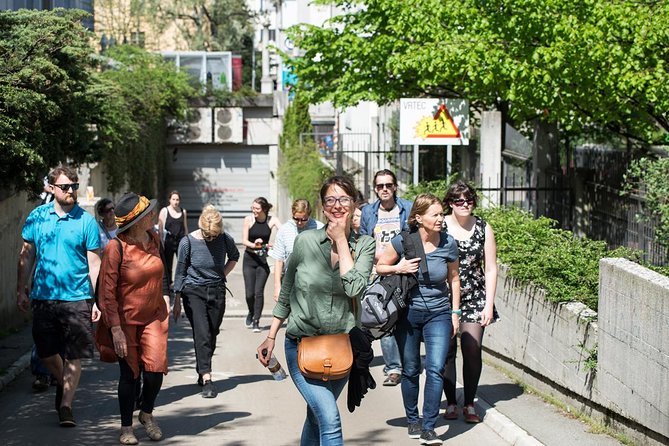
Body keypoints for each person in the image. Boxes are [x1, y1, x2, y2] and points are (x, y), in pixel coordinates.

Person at [257, 176, 375, 446]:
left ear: (354, 203)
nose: (337, 205)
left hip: (341, 348)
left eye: (344, 199)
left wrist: (342, 242)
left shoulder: (365, 245)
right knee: (330, 419)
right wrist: (271, 335)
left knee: (316, 416)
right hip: (301, 345)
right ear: (323, 206)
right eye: (330, 200)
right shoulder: (305, 241)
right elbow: (286, 290)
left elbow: (355, 287)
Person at [16, 165, 101, 427]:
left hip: (77, 297)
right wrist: (21, 287)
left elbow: (95, 262)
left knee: (75, 353)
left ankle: (66, 406)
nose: (70, 191)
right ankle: (65, 381)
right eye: (65, 187)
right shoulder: (38, 217)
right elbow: (27, 253)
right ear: (52, 188)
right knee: (45, 351)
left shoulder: (86, 221)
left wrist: (96, 299)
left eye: (74, 187)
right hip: (44, 295)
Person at [376, 193, 461, 445]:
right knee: (411, 370)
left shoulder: (448, 243)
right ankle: (413, 419)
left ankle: (429, 426)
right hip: (408, 314)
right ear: (419, 217)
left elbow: (454, 279)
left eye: (441, 214)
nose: (440, 219)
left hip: (439, 313)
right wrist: (398, 268)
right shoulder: (404, 241)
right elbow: (380, 266)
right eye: (435, 214)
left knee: (435, 369)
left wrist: (455, 313)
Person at [97, 192, 170, 445]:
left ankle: (147, 414)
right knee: (130, 375)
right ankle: (126, 427)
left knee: (155, 372)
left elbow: (164, 271)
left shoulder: (154, 239)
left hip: (154, 317)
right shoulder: (116, 247)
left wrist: (168, 295)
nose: (152, 214)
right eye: (148, 213)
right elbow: (106, 292)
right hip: (125, 321)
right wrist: (115, 329)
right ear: (137, 220)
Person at [442, 180, 499, 423]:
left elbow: (491, 268)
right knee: (446, 352)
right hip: (443, 296)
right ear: (450, 204)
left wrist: (489, 304)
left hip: (475, 296)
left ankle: (469, 403)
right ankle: (451, 403)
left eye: (469, 200)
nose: (465, 204)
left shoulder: (483, 228)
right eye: (459, 201)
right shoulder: (440, 225)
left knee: (472, 349)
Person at [172, 205, 240, 399]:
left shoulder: (225, 239)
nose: (211, 239)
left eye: (214, 236)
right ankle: (207, 378)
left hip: (217, 289)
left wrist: (222, 274)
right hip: (193, 291)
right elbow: (180, 271)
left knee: (212, 332)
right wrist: (177, 299)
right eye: (208, 235)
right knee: (202, 333)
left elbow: (234, 256)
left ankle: (202, 368)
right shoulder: (187, 242)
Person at [359, 169, 413, 387]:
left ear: (395, 187)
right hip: (378, 272)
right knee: (384, 318)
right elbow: (363, 241)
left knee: (406, 318)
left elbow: (413, 239)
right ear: (375, 189)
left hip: (404, 269)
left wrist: (400, 262)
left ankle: (408, 363)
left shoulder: (407, 208)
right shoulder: (368, 212)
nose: (384, 189)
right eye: (380, 186)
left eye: (388, 185)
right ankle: (393, 368)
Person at [269, 199, 323, 302]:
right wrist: (277, 287)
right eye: (296, 219)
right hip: (291, 280)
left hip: (314, 281)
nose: (299, 223)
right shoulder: (284, 230)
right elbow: (279, 260)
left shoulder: (319, 228)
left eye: (303, 219)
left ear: (309, 215)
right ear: (292, 214)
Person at [242, 197, 281, 332]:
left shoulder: (272, 220)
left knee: (258, 292)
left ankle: (256, 321)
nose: (254, 211)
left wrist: (274, 245)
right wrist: (256, 244)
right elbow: (244, 241)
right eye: (253, 208)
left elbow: (284, 233)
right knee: (249, 294)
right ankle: (251, 312)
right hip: (249, 259)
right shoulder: (249, 219)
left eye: (257, 208)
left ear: (264, 209)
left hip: (262, 261)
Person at [158, 190, 188, 286]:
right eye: (173, 199)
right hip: (168, 241)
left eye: (177, 199)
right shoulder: (164, 211)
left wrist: (187, 241)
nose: (176, 201)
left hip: (180, 241)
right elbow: (160, 229)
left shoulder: (183, 211)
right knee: (167, 265)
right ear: (169, 200)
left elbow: (185, 227)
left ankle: (181, 283)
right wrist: (161, 242)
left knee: (182, 263)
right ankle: (168, 285)